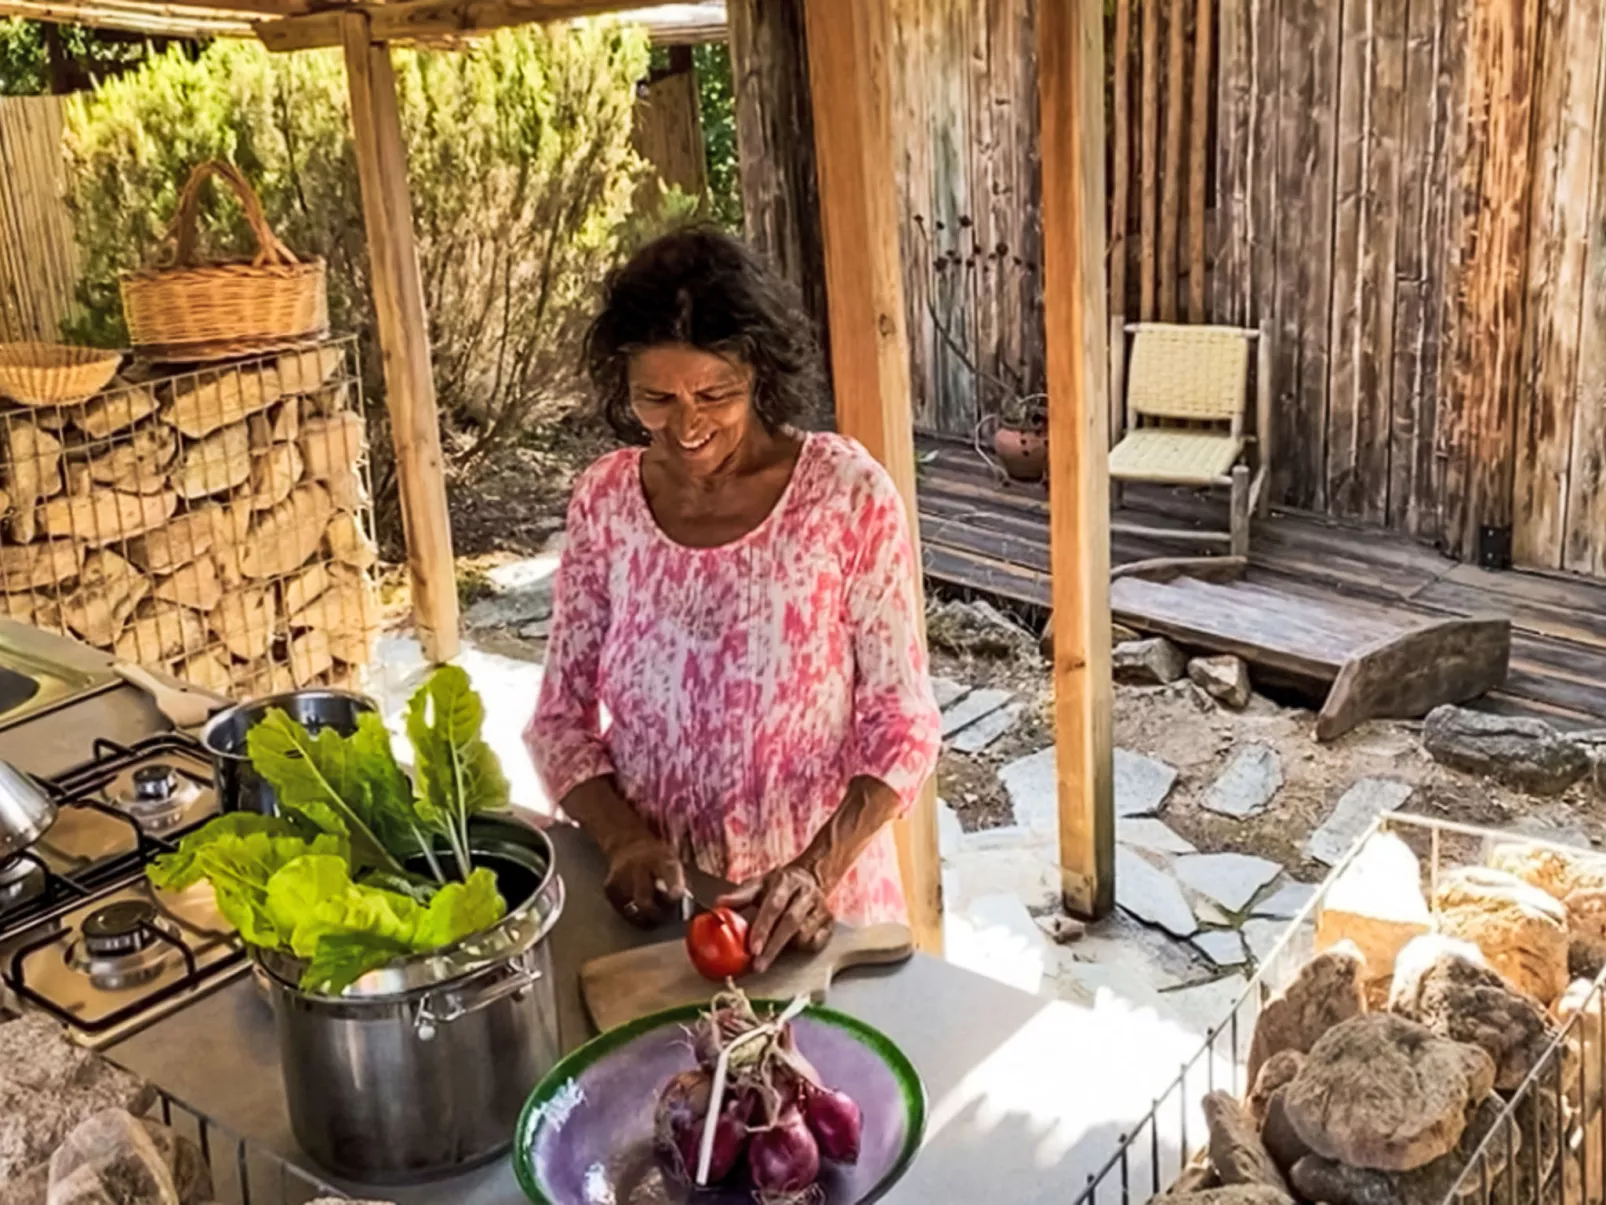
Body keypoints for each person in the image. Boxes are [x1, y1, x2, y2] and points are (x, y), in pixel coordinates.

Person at [524, 228, 941, 972]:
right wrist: (623, 838)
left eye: (714, 392)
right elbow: (560, 719)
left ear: (760, 371)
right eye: (657, 397)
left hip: (811, 915)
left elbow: (901, 724)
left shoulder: (845, 495)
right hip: (656, 915)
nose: (686, 424)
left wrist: (816, 870)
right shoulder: (607, 500)